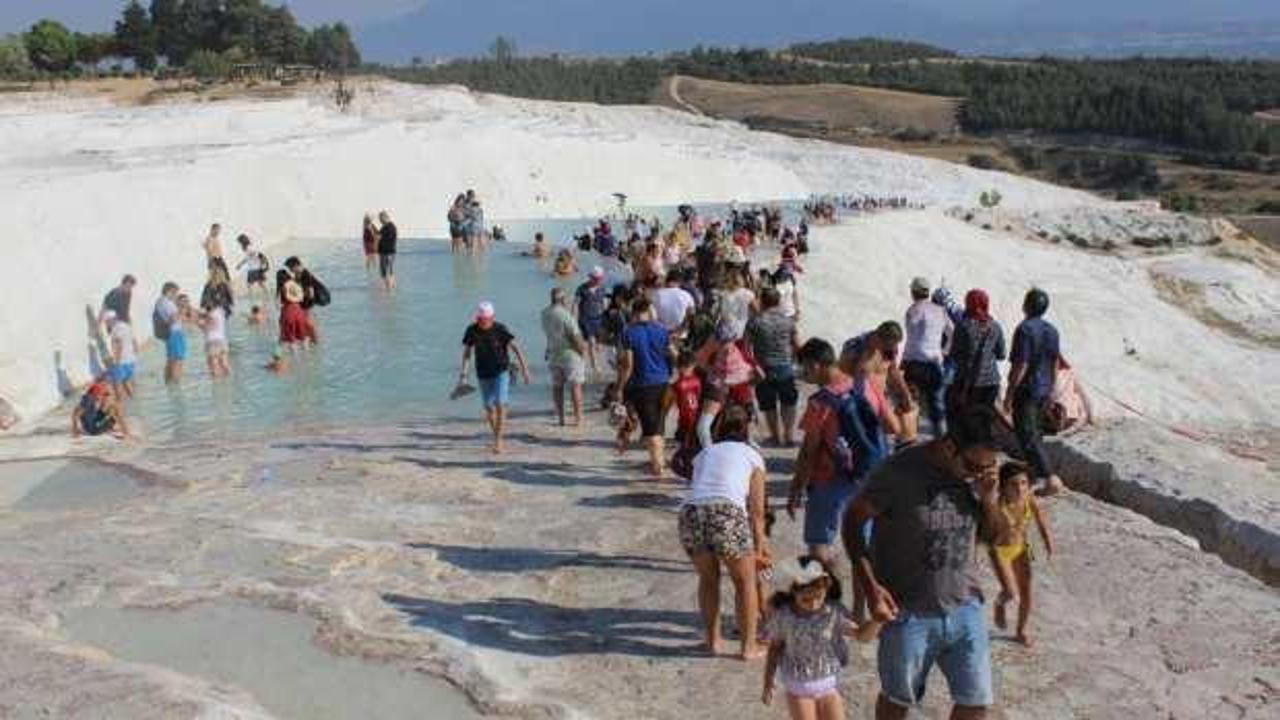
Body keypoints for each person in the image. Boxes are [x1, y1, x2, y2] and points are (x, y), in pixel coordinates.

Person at [842, 406, 1005, 720]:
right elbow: (852, 521)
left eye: (988, 466)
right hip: (908, 612)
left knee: (975, 703)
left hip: (965, 606)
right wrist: (870, 587)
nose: (979, 473)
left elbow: (995, 537)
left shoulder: (979, 480)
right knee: (897, 699)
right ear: (948, 447)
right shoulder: (897, 473)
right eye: (973, 466)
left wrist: (988, 499)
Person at [679, 405, 770, 660]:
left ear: (717, 428)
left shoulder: (705, 453)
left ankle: (713, 642)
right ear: (747, 428)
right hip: (727, 512)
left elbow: (699, 488)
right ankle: (747, 647)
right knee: (744, 582)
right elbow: (757, 509)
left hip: (691, 513)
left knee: (708, 580)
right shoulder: (753, 455)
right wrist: (760, 543)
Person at [762, 557, 882, 718]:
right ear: (792, 591)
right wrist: (768, 681)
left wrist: (878, 620)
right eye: (806, 599)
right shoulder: (784, 616)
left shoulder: (833, 613)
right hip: (798, 687)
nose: (813, 604)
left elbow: (862, 636)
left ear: (827, 588)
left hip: (828, 685)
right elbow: (775, 647)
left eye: (819, 597)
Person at [787, 339, 855, 564]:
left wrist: (797, 486)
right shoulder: (858, 386)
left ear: (815, 365)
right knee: (859, 543)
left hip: (828, 477)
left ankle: (828, 591)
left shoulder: (820, 402)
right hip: (860, 474)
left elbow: (808, 451)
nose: (804, 373)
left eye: (804, 368)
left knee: (818, 546)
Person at [1004, 288, 1065, 496]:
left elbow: (1021, 364)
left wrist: (1010, 393)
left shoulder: (1024, 330)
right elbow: (1055, 361)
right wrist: (1052, 388)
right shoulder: (1053, 330)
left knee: (1027, 435)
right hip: (1044, 387)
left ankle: (1050, 478)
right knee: (1035, 433)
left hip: (1028, 389)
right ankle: (1035, 476)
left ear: (1026, 305)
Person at [989, 461, 1055, 646]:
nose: (1020, 488)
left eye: (1024, 483)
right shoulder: (996, 503)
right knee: (1010, 591)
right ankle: (999, 604)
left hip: (1022, 548)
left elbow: (1042, 523)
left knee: (1027, 592)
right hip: (1000, 551)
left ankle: (1021, 631)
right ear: (1003, 486)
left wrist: (1049, 544)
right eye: (1013, 484)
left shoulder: (1029, 499)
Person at [460, 302, 532, 454]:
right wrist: (464, 375)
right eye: (480, 319)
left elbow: (516, 348)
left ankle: (498, 441)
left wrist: (525, 370)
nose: (483, 322)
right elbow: (467, 353)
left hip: (501, 371)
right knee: (488, 407)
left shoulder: (500, 329)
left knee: (500, 403)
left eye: (486, 319)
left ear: (492, 317)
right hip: (483, 373)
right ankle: (496, 436)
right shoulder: (471, 330)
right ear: (477, 317)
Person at [615, 297, 674, 478]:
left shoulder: (628, 333)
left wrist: (619, 387)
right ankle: (658, 462)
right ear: (649, 310)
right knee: (658, 426)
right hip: (664, 384)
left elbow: (628, 365)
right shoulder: (662, 331)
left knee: (651, 431)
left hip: (643, 385)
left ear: (633, 312)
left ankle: (658, 470)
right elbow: (672, 354)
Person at [946, 289, 1006, 428]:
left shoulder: (963, 326)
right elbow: (1001, 354)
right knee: (985, 419)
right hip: (992, 382)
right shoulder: (995, 326)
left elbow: (955, 353)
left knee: (966, 419)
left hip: (968, 381)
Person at [748, 286, 800, 447]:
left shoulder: (755, 322)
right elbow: (797, 344)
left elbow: (746, 347)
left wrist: (753, 366)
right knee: (788, 402)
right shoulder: (788, 321)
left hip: (764, 368)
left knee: (768, 404)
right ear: (778, 301)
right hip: (785, 366)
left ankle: (775, 436)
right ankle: (789, 436)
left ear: (762, 301)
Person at [901, 277, 952, 439]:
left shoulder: (912, 311)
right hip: (935, 364)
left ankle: (910, 438)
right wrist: (944, 351)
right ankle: (942, 442)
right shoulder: (940, 311)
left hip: (915, 364)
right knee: (936, 406)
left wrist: (903, 362)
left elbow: (912, 339)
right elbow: (953, 333)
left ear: (913, 292)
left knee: (910, 403)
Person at [541, 288, 587, 427]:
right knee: (576, 386)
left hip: (554, 352)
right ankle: (578, 419)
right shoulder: (566, 315)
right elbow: (574, 336)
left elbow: (549, 333)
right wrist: (582, 351)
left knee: (557, 386)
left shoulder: (544, 313)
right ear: (562, 300)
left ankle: (561, 418)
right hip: (569, 354)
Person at [668, 350, 704, 480]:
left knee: (686, 450)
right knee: (693, 448)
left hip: (687, 421)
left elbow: (669, 404)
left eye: (684, 367)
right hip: (695, 419)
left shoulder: (677, 385)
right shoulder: (698, 381)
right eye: (681, 367)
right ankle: (695, 473)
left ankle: (690, 474)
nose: (683, 370)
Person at [575, 267, 609, 377]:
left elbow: (604, 303)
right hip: (585, 319)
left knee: (597, 344)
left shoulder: (602, 288)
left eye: (600, 278)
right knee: (591, 342)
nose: (598, 280)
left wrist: (606, 317)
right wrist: (573, 318)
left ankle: (588, 362)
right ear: (591, 277)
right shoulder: (582, 288)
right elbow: (575, 304)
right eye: (596, 278)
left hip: (599, 319)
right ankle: (594, 366)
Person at [152, 283, 186, 385]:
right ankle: (175, 384)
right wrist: (181, 308)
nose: (176, 295)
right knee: (177, 359)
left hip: (171, 333)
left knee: (171, 359)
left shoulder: (160, 301)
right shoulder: (166, 303)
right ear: (170, 291)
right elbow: (173, 319)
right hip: (174, 333)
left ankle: (169, 383)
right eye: (175, 292)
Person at [102, 310, 137, 399]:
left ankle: (120, 408)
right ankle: (134, 401)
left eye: (106, 321)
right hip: (131, 360)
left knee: (117, 387)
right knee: (127, 382)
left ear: (111, 320)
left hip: (121, 361)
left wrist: (116, 361)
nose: (106, 324)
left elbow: (119, 345)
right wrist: (134, 355)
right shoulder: (126, 326)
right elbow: (134, 342)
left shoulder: (116, 329)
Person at [653, 269, 696, 335]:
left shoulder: (656, 294)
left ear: (667, 280)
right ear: (680, 282)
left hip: (658, 330)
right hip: (679, 332)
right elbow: (691, 314)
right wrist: (682, 328)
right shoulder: (687, 295)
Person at [279, 279, 316, 348]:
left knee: (291, 343)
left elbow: (282, 326)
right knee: (304, 341)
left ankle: (279, 355)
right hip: (299, 317)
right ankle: (309, 356)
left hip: (289, 316)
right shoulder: (301, 309)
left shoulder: (285, 309)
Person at [201, 302, 231, 377]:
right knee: (225, 363)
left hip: (212, 341)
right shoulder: (221, 313)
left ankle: (216, 386)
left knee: (214, 366)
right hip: (222, 340)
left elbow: (210, 326)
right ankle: (228, 383)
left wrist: (202, 325)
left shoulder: (210, 315)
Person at [377, 210, 398, 291]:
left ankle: (388, 290)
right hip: (391, 252)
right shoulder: (392, 226)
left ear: (384, 217)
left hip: (385, 253)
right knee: (390, 270)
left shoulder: (386, 227)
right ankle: (392, 288)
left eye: (380, 219)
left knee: (385, 271)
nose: (380, 221)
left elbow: (378, 238)